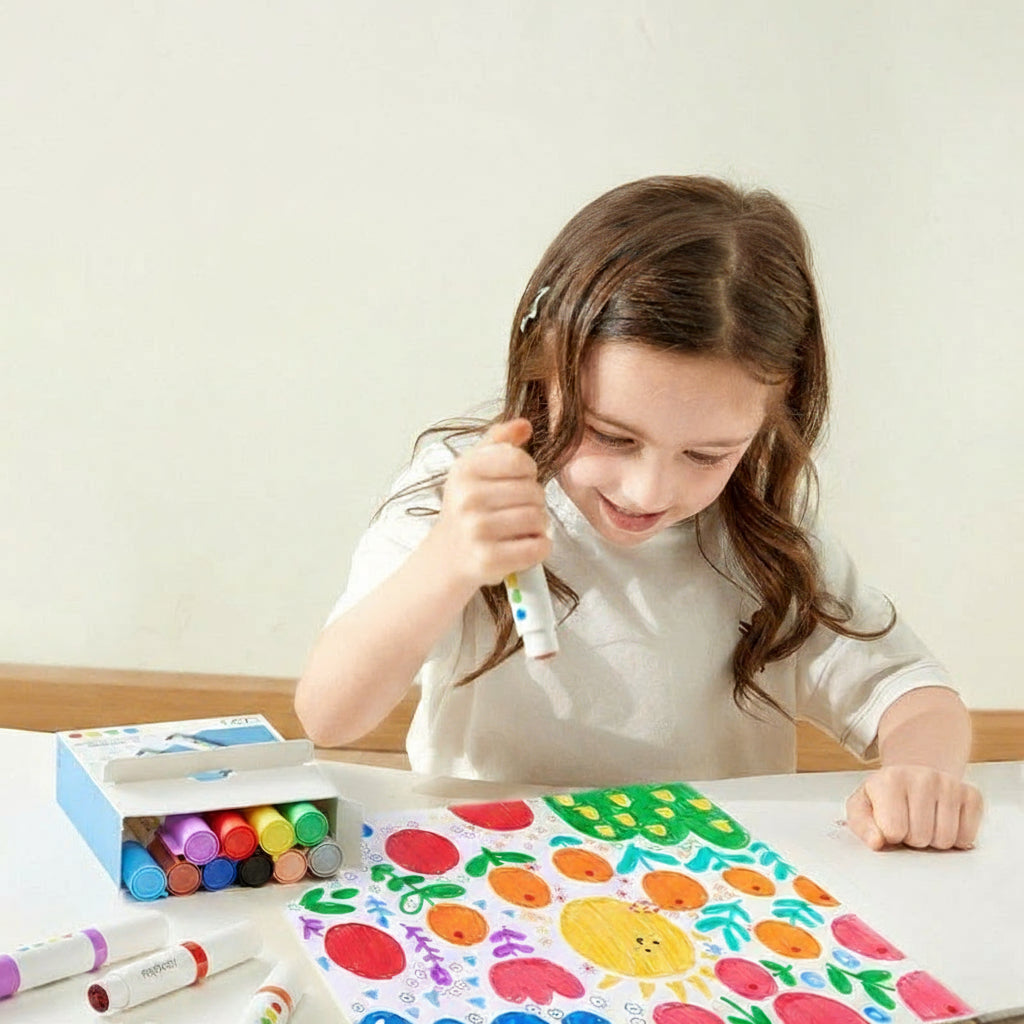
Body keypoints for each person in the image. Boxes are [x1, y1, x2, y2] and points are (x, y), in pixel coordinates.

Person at [295, 175, 982, 852]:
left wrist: (920, 774)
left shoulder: (763, 541)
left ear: (773, 411)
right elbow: (330, 715)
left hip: (706, 886)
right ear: (546, 364)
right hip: (492, 868)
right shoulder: (463, 496)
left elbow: (913, 694)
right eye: (612, 437)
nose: (648, 491)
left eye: (708, 455)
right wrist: (447, 561)